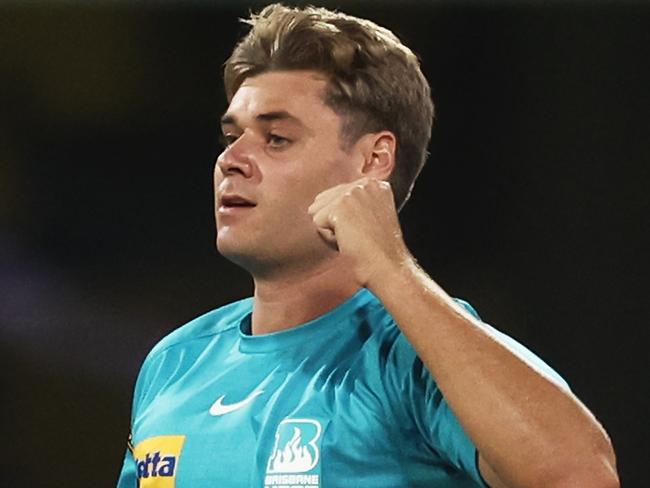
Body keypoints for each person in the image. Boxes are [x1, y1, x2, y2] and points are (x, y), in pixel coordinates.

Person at [118, 4, 618, 487]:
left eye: (276, 138)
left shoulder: (416, 353)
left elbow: (580, 477)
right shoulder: (174, 362)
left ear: (373, 160)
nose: (232, 159)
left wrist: (391, 266)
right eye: (232, 136)